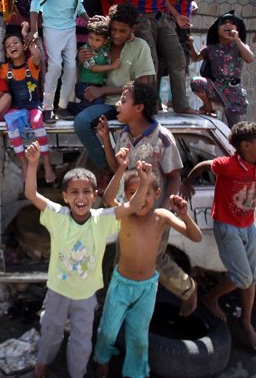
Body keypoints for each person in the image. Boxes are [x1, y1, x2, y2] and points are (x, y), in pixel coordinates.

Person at [24, 141, 152, 378]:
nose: (80, 198)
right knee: (51, 330)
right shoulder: (57, 216)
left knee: (82, 340)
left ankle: (78, 373)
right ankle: (42, 363)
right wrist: (32, 165)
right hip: (58, 290)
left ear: (95, 196)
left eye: (86, 192)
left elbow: (133, 205)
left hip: (85, 296)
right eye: (74, 192)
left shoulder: (102, 218)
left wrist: (143, 181)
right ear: (65, 196)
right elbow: (31, 194)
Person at [97, 81, 198, 316]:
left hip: (152, 210)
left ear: (139, 107)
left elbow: (174, 178)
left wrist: (160, 213)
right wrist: (105, 139)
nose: (118, 105)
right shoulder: (123, 135)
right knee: (125, 255)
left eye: (123, 100)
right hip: (129, 208)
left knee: (154, 258)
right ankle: (120, 303)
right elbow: (116, 168)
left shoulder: (161, 138)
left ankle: (188, 289)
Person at [95, 157, 202, 378]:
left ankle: (135, 372)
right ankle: (103, 359)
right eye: (132, 193)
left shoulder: (161, 216)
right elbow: (107, 198)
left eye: (145, 192)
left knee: (138, 335)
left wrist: (184, 215)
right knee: (108, 330)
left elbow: (196, 236)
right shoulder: (125, 214)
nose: (139, 198)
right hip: (120, 285)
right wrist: (122, 167)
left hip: (147, 289)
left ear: (157, 194)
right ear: (125, 196)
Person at [181, 121, 256, 352]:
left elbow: (255, 180)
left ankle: (246, 322)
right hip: (228, 227)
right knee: (244, 278)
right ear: (246, 146)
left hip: (248, 225)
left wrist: (254, 194)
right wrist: (187, 182)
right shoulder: (227, 165)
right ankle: (211, 297)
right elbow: (202, 165)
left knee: (252, 277)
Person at [73, 3, 155, 186]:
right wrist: (81, 58)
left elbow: (143, 85)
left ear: (132, 30)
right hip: (97, 99)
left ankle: (105, 170)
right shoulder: (102, 41)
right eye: (114, 30)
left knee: (81, 122)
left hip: (121, 104)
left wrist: (103, 90)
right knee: (75, 118)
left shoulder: (140, 47)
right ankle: (106, 167)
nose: (117, 35)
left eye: (122, 31)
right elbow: (86, 65)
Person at [28, 0, 89, 123]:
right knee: (55, 66)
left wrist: (87, 17)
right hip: (52, 28)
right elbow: (36, 1)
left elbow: (77, 4)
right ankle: (47, 107)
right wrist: (33, 29)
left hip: (69, 28)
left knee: (71, 67)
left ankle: (62, 106)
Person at [0, 31, 56, 184]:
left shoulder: (31, 63)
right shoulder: (5, 69)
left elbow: (37, 56)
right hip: (17, 107)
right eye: (8, 46)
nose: (12, 46)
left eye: (15, 43)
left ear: (23, 46)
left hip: (33, 105)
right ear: (6, 53)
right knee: (10, 123)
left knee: (37, 122)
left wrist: (27, 37)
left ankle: (46, 163)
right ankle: (24, 164)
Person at [190, 11, 253, 127]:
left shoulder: (240, 46)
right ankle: (208, 106)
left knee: (235, 128)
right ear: (217, 30)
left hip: (233, 92)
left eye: (231, 23)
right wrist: (190, 45)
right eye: (224, 23)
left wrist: (237, 40)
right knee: (196, 82)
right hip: (215, 88)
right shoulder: (210, 48)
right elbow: (195, 57)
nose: (228, 26)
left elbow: (249, 58)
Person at [73, 15, 120, 111]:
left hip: (97, 86)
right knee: (97, 102)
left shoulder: (104, 47)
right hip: (85, 86)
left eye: (97, 40)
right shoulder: (86, 50)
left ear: (105, 41)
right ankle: (72, 108)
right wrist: (111, 66)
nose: (93, 42)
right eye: (90, 38)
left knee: (96, 103)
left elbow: (114, 38)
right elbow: (93, 68)